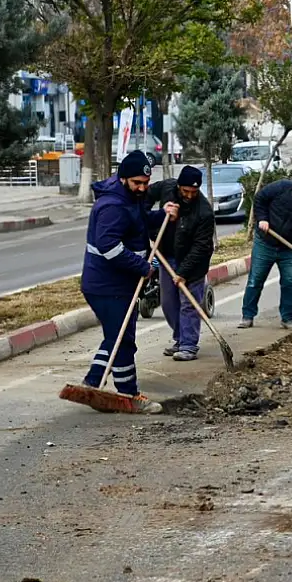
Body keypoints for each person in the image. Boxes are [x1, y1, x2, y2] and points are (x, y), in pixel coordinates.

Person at [80, 150, 176, 414]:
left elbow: (140, 224)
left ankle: (92, 383)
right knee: (124, 340)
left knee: (115, 337)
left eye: (145, 183)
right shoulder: (112, 206)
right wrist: (143, 267)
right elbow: (109, 248)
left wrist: (162, 214)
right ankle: (129, 395)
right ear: (123, 179)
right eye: (137, 183)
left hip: (119, 284)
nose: (143, 188)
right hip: (107, 286)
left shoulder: (131, 199)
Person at [239, 176, 292, 330]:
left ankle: (287, 318)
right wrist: (263, 219)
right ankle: (247, 316)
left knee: (290, 282)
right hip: (265, 243)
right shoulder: (282, 187)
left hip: (289, 248)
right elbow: (260, 198)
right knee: (255, 280)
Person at [147, 166, 215, 361]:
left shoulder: (204, 212)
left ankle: (188, 345)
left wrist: (183, 272)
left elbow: (201, 247)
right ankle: (179, 338)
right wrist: (150, 220)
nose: (189, 196)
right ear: (178, 186)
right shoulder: (167, 187)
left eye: (193, 192)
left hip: (193, 262)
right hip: (166, 254)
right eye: (185, 191)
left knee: (189, 304)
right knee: (168, 303)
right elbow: (145, 197)